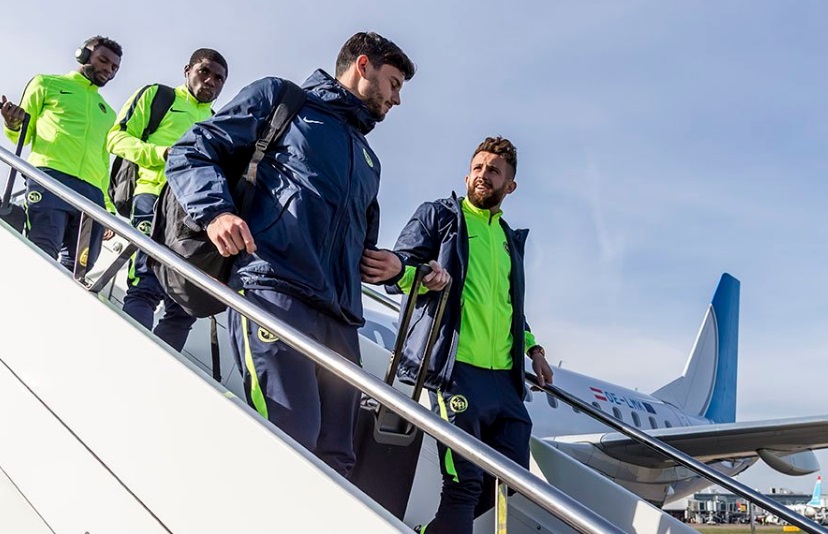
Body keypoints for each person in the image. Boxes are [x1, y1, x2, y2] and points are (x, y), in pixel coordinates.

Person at [164, 31, 415, 477]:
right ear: (363, 66)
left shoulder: (368, 159)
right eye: (393, 84)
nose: (396, 99)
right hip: (274, 291)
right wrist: (216, 212)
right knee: (290, 440)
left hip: (340, 320)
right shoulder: (283, 100)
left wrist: (396, 269)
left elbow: (362, 246)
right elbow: (191, 151)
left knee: (337, 461)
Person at [386, 136, 554, 534]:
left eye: (493, 171)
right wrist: (424, 277)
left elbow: (511, 308)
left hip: (505, 381)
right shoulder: (440, 217)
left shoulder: (509, 240)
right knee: (463, 484)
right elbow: (399, 271)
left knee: (510, 480)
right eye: (477, 168)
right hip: (455, 371)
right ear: (466, 176)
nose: (483, 175)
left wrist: (535, 350)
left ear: (510, 185)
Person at [107, 48, 228, 352]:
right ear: (188, 70)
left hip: (195, 214)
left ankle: (156, 367)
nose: (211, 81)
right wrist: (161, 154)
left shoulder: (219, 122)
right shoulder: (158, 97)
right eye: (204, 72)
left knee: (185, 304)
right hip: (153, 198)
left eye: (219, 78)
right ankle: (128, 356)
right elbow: (116, 138)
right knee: (145, 286)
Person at [1, 36, 122, 271]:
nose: (108, 69)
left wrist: (107, 206)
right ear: (83, 55)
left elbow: (104, 160)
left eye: (114, 67)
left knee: (80, 267)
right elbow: (22, 135)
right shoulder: (46, 84)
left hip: (92, 195)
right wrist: (12, 124)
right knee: (42, 249)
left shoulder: (108, 112)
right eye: (103, 60)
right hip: (50, 180)